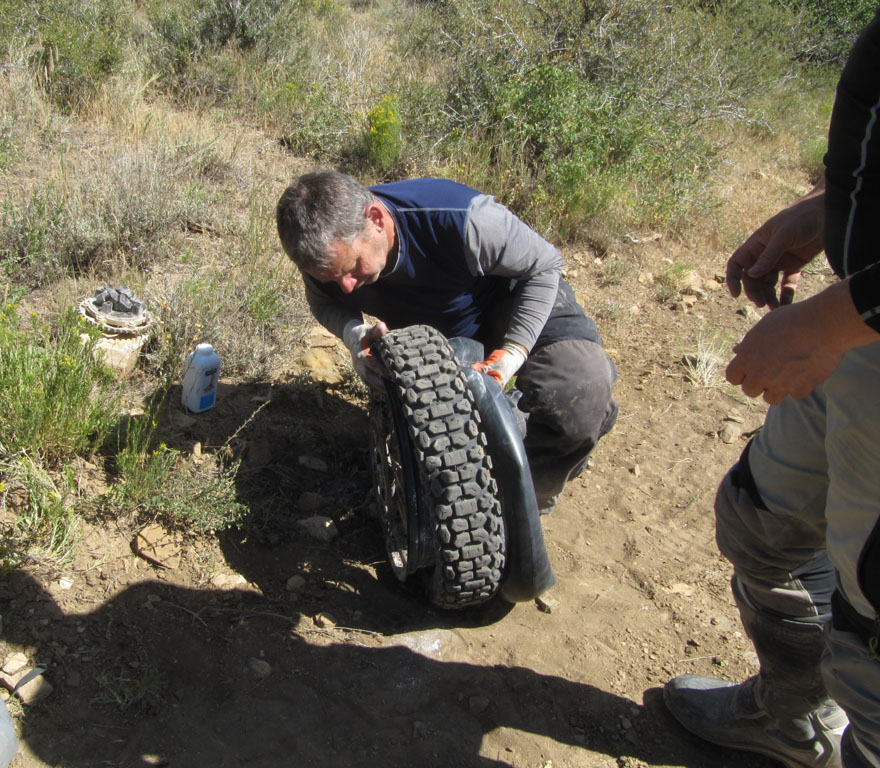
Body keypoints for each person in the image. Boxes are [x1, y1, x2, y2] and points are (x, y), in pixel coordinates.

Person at [663, 9, 880, 768]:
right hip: (860, 333)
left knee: (873, 639)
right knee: (762, 522)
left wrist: (839, 317)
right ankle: (791, 718)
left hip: (857, 323)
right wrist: (841, 208)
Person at [275, 171, 618, 512]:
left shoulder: (463, 220)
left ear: (376, 220)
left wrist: (515, 350)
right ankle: (523, 437)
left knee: (580, 393)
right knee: (437, 453)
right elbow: (325, 302)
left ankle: (528, 500)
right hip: (444, 334)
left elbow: (544, 265)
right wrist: (354, 334)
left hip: (515, 296)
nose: (347, 287)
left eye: (351, 268)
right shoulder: (323, 251)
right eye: (332, 278)